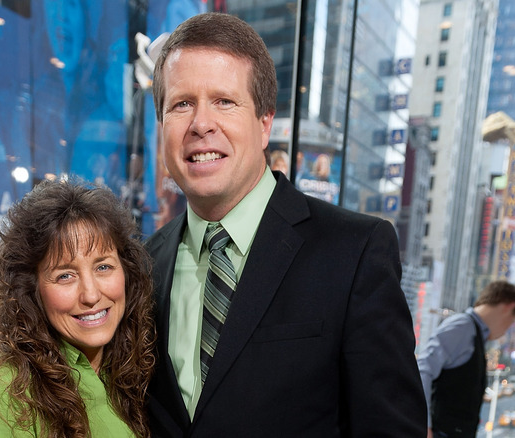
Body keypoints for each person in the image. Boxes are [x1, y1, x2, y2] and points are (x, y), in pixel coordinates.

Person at [146, 12, 426, 436]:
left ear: (264, 124)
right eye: (182, 104)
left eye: (224, 101)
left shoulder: (355, 251)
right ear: (162, 125)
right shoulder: (142, 263)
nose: (201, 124)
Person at [0, 179, 155, 438]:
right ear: (31, 290)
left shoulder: (126, 378)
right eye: (65, 276)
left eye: (103, 267)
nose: (91, 295)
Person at [417, 280, 515, 438]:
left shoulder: (473, 333)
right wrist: (423, 425)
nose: (507, 329)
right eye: (511, 321)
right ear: (509, 306)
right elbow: (422, 370)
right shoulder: (463, 327)